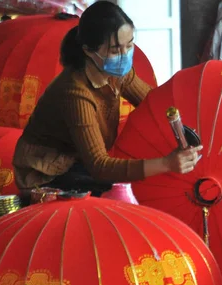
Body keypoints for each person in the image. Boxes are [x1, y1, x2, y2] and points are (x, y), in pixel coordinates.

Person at [12, 1, 202, 197]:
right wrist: (167, 163)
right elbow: (99, 166)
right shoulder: (75, 93)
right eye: (114, 50)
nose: (124, 55)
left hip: (81, 163)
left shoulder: (117, 72)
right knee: (124, 193)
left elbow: (155, 106)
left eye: (129, 45)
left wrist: (186, 132)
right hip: (48, 175)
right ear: (88, 50)